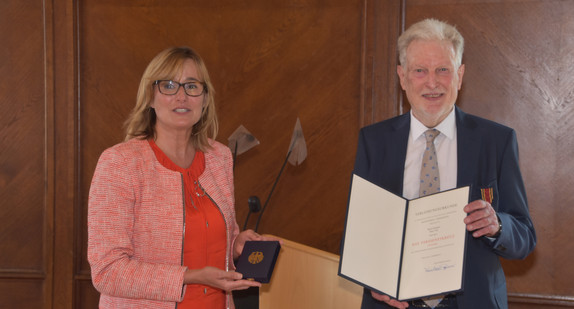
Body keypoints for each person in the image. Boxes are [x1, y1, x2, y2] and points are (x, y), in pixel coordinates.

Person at [353, 19, 536, 309]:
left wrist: (498, 225)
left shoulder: (496, 141)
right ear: (402, 77)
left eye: (443, 70)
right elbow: (357, 235)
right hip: (394, 303)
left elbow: (525, 236)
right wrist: (371, 280)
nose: (432, 82)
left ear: (460, 75)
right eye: (420, 71)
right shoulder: (374, 142)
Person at [87, 46, 270, 309]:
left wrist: (235, 246)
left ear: (205, 98)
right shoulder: (120, 163)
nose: (181, 96)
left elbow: (209, 244)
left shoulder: (219, 157)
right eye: (169, 85)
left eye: (192, 86)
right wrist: (189, 277)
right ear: (150, 97)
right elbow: (108, 271)